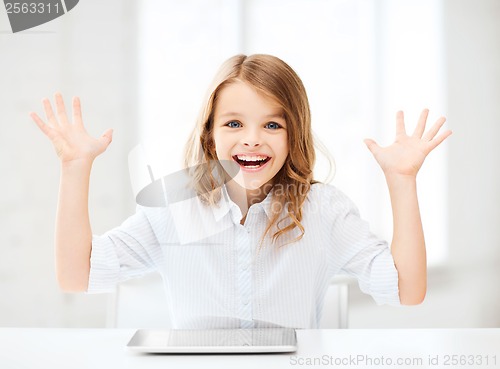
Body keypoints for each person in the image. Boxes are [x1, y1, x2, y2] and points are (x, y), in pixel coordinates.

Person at [30, 54, 452, 329]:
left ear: (293, 137)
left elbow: (406, 291)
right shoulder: (173, 210)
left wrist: (402, 182)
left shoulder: (325, 210)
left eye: (272, 125)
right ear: (211, 137)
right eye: (234, 124)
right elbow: (76, 276)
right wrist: (75, 168)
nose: (252, 139)